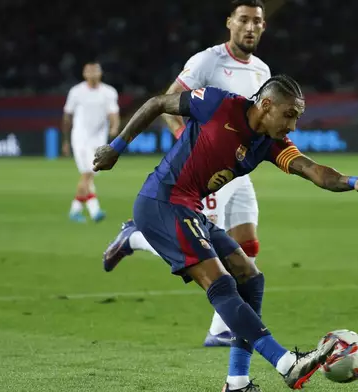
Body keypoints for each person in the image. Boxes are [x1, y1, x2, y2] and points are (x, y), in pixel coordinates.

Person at [93, 75, 358, 392]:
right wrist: (116, 148)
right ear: (266, 105)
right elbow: (158, 102)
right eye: (289, 115)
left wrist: (354, 182)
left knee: (250, 277)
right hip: (162, 201)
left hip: (190, 209)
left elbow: (313, 171)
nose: (293, 126)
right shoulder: (217, 103)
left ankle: (237, 382)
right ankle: (287, 364)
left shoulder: (269, 143)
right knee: (220, 282)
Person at [102, 0, 270, 348]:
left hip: (238, 171)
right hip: (204, 173)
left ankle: (221, 329)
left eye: (256, 21)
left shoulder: (262, 71)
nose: (250, 27)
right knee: (201, 245)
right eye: (243, 20)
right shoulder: (208, 60)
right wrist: (190, 143)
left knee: (247, 245)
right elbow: (168, 101)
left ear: (263, 26)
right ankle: (132, 237)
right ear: (229, 22)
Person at [62, 62, 120, 222]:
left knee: (89, 174)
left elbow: (113, 113)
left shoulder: (109, 92)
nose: (93, 73)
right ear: (84, 73)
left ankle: (75, 209)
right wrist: (65, 141)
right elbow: (67, 116)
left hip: (98, 140)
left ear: (100, 73)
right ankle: (95, 210)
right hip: (80, 138)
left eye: (96, 70)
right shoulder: (76, 92)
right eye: (89, 71)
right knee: (88, 173)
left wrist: (114, 128)